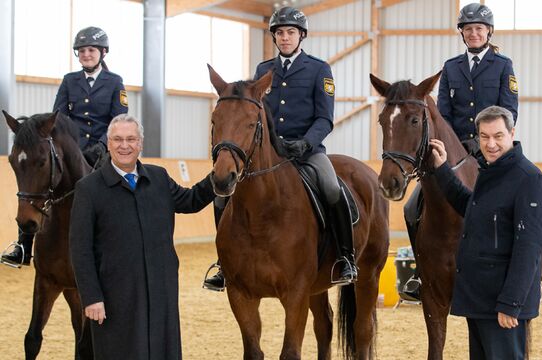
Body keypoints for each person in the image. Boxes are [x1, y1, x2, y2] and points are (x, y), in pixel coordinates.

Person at [203, 6, 356, 291]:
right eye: (280, 33)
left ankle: (346, 257)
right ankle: (224, 264)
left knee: (332, 188)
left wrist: (306, 142)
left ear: (301, 36)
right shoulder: (263, 71)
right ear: (274, 37)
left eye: (290, 32)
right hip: (268, 152)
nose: (285, 38)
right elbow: (253, 113)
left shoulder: (319, 69)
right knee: (222, 195)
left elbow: (325, 118)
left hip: (308, 151)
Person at [69, 114, 214, 359]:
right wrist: (92, 297)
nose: (124, 145)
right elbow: (80, 249)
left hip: (161, 291)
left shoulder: (158, 178)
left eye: (130, 139)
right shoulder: (89, 188)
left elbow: (190, 201)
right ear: (108, 143)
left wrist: (219, 176)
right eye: (117, 139)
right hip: (116, 297)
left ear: (140, 143)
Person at [400, 2, 519, 300]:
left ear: (488, 32)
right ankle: (420, 271)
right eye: (468, 29)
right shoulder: (451, 67)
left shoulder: (503, 65)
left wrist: (488, 143)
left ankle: (517, 271)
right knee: (412, 207)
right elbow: (443, 115)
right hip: (456, 150)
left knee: (514, 203)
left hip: (492, 149)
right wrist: (451, 147)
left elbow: (509, 111)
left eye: (479, 28)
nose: (474, 33)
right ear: (462, 34)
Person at [430, 106, 542, 359]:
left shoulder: (529, 179)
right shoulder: (489, 172)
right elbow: (470, 206)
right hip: (480, 301)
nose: (491, 144)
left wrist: (511, 303)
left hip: (502, 306)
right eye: (484, 137)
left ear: (512, 133)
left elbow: (529, 250)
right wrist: (442, 170)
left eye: (498, 136)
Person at [1, 26, 128, 268]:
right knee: (41, 182)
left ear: (102, 52)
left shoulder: (115, 82)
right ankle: (23, 245)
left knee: (122, 185)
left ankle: (124, 242)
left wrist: (104, 145)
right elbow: (57, 115)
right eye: (81, 51)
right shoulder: (70, 81)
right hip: (72, 148)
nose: (86, 55)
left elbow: (119, 118)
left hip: (103, 148)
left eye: (91, 50)